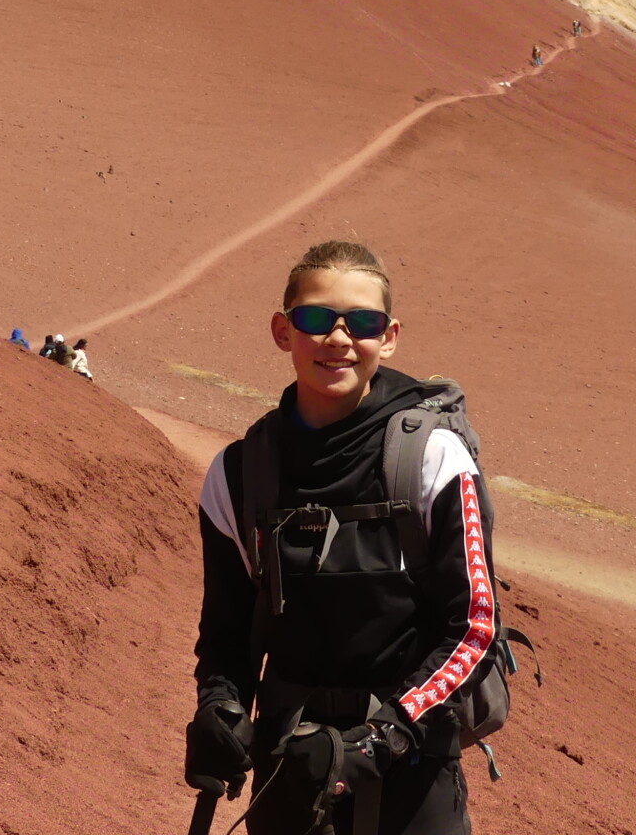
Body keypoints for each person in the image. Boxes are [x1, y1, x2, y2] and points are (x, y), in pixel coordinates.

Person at [187, 240, 493, 834]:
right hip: (288, 772)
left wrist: (381, 739)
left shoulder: (433, 460)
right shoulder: (238, 474)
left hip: (411, 775)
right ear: (283, 331)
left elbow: (474, 628)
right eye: (316, 318)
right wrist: (219, 707)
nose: (338, 338)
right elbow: (225, 631)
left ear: (390, 336)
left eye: (363, 323)